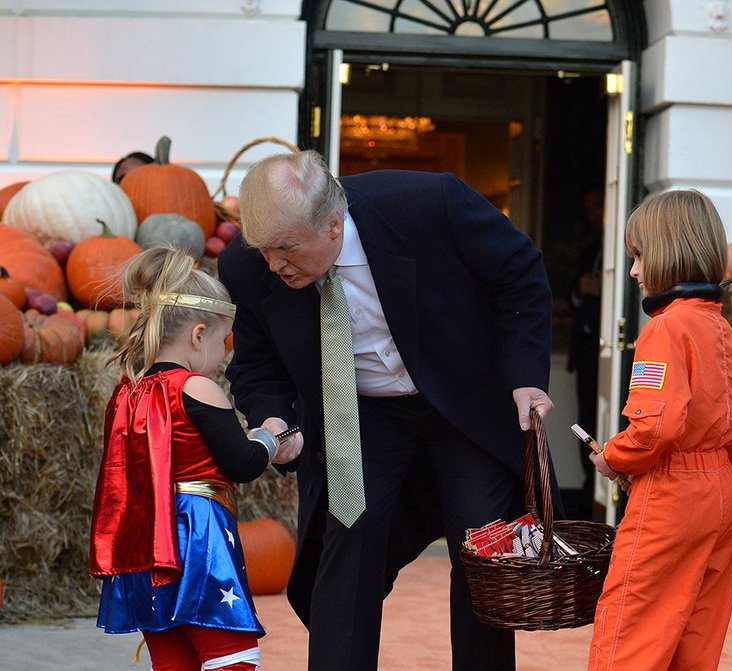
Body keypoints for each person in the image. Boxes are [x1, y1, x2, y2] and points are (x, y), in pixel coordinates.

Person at [217, 150, 555, 671]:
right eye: (263, 249)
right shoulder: (245, 266)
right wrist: (274, 419)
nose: (273, 264)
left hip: (462, 405)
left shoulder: (429, 204)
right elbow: (255, 365)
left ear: (334, 224)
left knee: (480, 548)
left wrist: (525, 375)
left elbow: (520, 275)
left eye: (286, 248)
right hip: (358, 417)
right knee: (349, 542)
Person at [90, 246, 301, 670]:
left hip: (146, 542)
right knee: (232, 655)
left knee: (174, 660)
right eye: (223, 341)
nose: (223, 353)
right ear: (198, 335)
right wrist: (268, 437)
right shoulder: (196, 387)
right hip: (194, 535)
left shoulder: (128, 391)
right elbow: (241, 463)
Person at [587, 189, 732, 671]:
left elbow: (655, 428)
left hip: (671, 494)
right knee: (696, 641)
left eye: (639, 256)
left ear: (667, 254)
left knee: (631, 633)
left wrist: (613, 458)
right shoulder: (727, 333)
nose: (633, 271)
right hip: (721, 495)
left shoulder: (665, 329)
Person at [567, 185, 604, 519]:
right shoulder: (591, 248)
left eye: (598, 207)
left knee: (602, 418)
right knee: (585, 419)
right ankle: (587, 490)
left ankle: (599, 493)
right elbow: (573, 292)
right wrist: (582, 292)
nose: (594, 216)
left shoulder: (620, 253)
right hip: (587, 352)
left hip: (607, 350)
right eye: (590, 210)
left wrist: (602, 290)